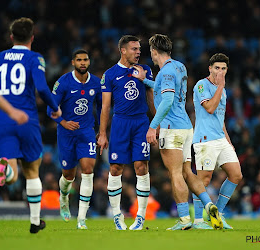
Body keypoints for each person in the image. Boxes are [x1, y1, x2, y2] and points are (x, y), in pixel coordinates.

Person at [132, 34, 223, 230]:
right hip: (186, 127)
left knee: (175, 174)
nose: (152, 56)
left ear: (155, 51)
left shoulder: (165, 72)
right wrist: (145, 81)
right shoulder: (179, 67)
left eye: (151, 53)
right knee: (187, 172)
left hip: (171, 129)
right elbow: (165, 89)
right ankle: (210, 205)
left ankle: (184, 220)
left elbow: (166, 101)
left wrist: (152, 126)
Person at [0, 17, 61, 233]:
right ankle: (34, 220)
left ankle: (6, 171)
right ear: (32, 37)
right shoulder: (34, 58)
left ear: (11, 37)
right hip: (27, 119)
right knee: (32, 170)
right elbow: (41, 87)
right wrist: (55, 107)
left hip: (3, 119)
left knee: (11, 173)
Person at [97, 35, 154, 230]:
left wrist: (156, 124)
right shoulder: (110, 74)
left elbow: (151, 97)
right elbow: (105, 107)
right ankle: (117, 216)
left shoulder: (145, 70)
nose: (138, 52)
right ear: (122, 50)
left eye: (139, 49)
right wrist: (102, 133)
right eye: (134, 49)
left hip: (141, 122)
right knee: (115, 169)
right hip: (120, 123)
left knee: (141, 167)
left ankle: (140, 217)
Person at [47, 49, 102, 229]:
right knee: (68, 176)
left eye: (85, 59)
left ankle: (81, 219)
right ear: (73, 62)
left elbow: (103, 108)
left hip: (87, 132)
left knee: (87, 171)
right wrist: (63, 122)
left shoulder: (96, 82)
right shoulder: (63, 82)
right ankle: (63, 197)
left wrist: (101, 131)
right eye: (79, 60)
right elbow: (50, 110)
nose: (83, 63)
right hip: (66, 134)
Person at [192, 53, 243, 229]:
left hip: (220, 139)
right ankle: (198, 221)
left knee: (236, 174)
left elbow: (220, 120)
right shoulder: (201, 85)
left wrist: (228, 141)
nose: (219, 72)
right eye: (216, 68)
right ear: (210, 68)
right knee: (203, 180)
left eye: (223, 68)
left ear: (226, 70)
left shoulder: (224, 91)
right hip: (204, 139)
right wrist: (220, 86)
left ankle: (217, 216)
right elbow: (210, 108)